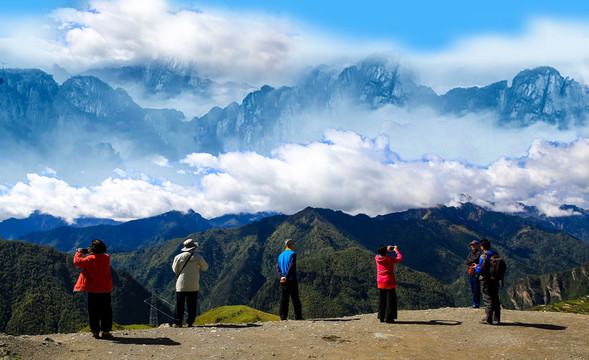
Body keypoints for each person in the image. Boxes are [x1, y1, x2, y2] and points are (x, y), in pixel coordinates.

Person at [73, 239, 113, 339]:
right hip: (105, 289)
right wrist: (92, 252)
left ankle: (95, 331)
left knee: (93, 311)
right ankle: (106, 331)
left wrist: (79, 253)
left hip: (93, 290)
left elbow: (77, 262)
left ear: (93, 249)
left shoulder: (89, 260)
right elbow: (97, 257)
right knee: (106, 311)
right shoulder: (106, 258)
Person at [172, 238, 209, 328]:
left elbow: (175, 270)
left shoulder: (178, 257)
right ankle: (190, 322)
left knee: (180, 304)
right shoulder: (198, 257)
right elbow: (205, 267)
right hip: (193, 285)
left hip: (181, 285)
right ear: (193, 248)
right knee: (192, 305)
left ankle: (178, 322)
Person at [474, 238, 501, 325]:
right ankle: (496, 318)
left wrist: (476, 267)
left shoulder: (483, 256)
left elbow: (481, 270)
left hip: (486, 280)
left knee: (488, 299)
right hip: (495, 279)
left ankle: (488, 318)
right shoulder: (495, 254)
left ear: (482, 247)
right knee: (495, 298)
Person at [276, 239, 303, 320]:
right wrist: (287, 277)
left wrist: (282, 276)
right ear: (291, 245)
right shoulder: (292, 254)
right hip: (291, 279)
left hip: (283, 280)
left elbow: (277, 267)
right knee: (295, 298)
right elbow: (291, 266)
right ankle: (298, 316)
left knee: (284, 298)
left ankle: (283, 317)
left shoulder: (280, 255)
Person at [376, 245, 402, 323]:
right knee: (390, 300)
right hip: (389, 282)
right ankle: (389, 318)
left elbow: (382, 254)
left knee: (382, 300)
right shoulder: (389, 259)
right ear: (385, 253)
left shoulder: (377, 258)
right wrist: (396, 250)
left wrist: (387, 251)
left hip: (380, 282)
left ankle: (381, 317)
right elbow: (399, 258)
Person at [465, 240, 482, 308]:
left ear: (477, 245)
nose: (472, 246)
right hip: (471, 272)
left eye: (473, 245)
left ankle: (476, 303)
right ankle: (474, 303)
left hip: (476, 273)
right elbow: (467, 261)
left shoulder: (479, 253)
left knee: (476, 288)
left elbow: (471, 260)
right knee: (473, 288)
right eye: (471, 245)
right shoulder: (471, 253)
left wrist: (472, 261)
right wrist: (473, 262)